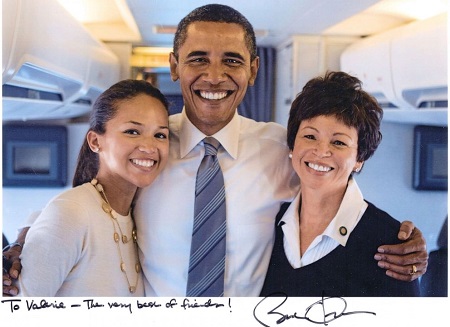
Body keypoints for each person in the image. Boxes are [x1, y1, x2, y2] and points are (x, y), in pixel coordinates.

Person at [3, 4, 428, 297]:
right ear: (174, 66)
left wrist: (404, 239)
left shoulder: (279, 148)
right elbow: (93, 197)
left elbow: (330, 184)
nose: (214, 75)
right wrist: (28, 239)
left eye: (232, 60)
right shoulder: (148, 149)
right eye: (198, 58)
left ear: (253, 69)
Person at [261, 71, 420, 296]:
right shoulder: (272, 222)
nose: (321, 151)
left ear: (359, 159)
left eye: (338, 142)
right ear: (292, 145)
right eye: (309, 136)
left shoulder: (391, 246)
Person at [15, 79, 170, 296]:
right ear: (96, 141)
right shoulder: (72, 212)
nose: (149, 146)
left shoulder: (139, 215)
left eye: (160, 135)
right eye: (132, 132)